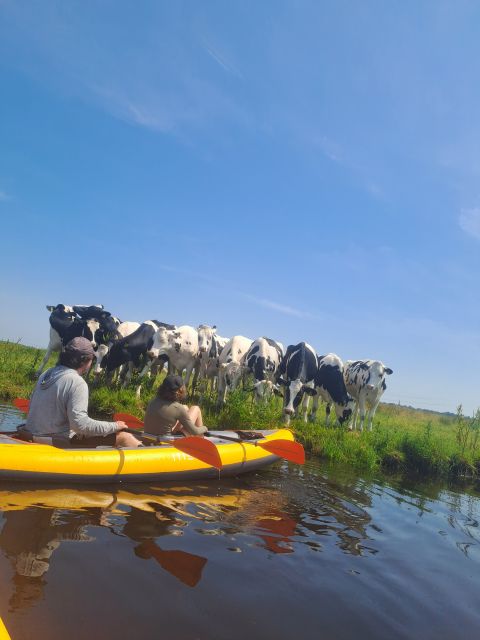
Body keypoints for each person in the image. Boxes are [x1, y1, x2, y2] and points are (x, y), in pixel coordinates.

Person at [25, 337, 141, 448]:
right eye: (92, 359)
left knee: (86, 433)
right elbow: (80, 425)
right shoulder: (77, 382)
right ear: (86, 360)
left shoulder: (46, 373)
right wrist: (115, 426)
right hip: (54, 442)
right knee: (124, 437)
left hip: (30, 435)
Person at [143, 375, 207, 438]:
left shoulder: (153, 401)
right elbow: (194, 431)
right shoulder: (177, 408)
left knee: (185, 407)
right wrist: (204, 428)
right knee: (196, 408)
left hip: (148, 439)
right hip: (166, 443)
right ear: (179, 390)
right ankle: (201, 440)